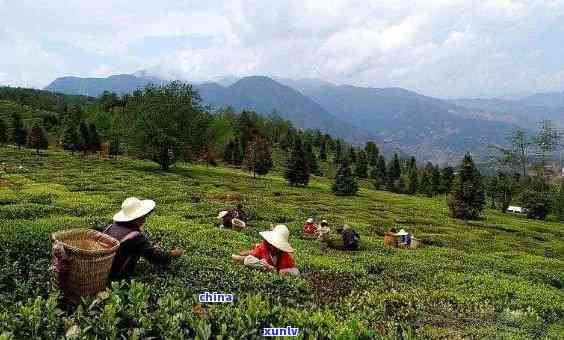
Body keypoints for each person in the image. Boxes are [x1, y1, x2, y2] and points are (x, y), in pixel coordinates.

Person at [104, 197, 184, 280]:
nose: (144, 218)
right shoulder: (135, 237)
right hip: (117, 276)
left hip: (105, 269)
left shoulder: (112, 226)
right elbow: (155, 258)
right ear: (136, 218)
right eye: (142, 216)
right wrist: (173, 254)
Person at [232, 224, 299, 276]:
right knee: (248, 260)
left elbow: (295, 271)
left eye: (277, 245)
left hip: (276, 271)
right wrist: (267, 266)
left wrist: (282, 272)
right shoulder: (264, 246)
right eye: (273, 244)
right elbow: (252, 256)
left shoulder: (285, 255)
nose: (273, 247)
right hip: (264, 265)